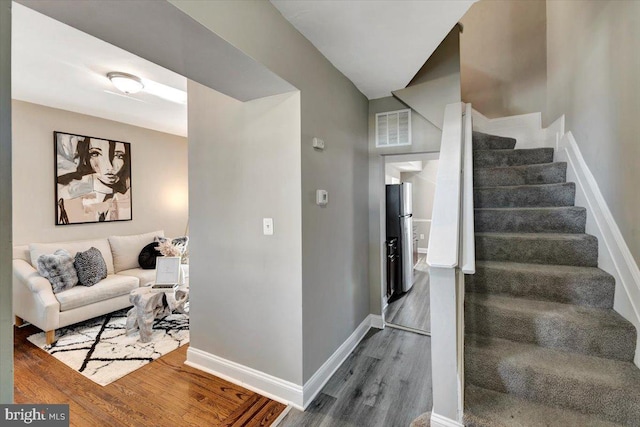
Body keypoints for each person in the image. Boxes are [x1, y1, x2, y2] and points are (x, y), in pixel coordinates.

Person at [57, 135, 131, 223]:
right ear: (86, 157)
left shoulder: (126, 196)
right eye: (95, 154)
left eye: (119, 156)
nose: (110, 166)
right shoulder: (70, 198)